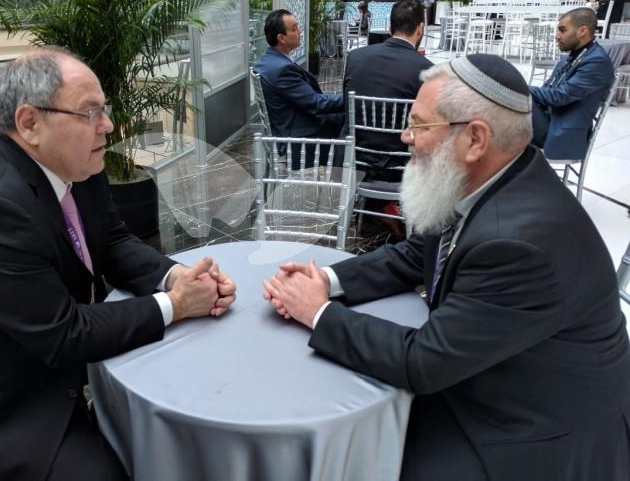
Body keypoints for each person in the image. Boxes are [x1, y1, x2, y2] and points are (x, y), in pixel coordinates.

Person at [263, 54, 630, 481]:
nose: (405, 136)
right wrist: (326, 280)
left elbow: (424, 362)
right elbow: (416, 255)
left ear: (475, 139)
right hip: (490, 377)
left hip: (533, 432)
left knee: (362, 459)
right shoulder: (491, 178)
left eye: (419, 124)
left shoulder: (520, 244)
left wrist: (317, 312)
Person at [0, 47, 237, 481]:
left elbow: (113, 239)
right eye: (90, 113)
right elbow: (65, 334)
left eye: (104, 110)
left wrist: (174, 275)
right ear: (30, 123)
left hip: (38, 360)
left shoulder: (75, 162)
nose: (107, 125)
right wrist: (177, 305)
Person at [343, 0, 432, 182]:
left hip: (356, 159)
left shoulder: (355, 57)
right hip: (402, 165)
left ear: (389, 29)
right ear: (420, 29)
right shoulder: (428, 70)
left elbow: (346, 105)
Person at [253, 9, 344, 159]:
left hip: (286, 126)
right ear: (281, 38)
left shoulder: (266, 61)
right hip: (297, 139)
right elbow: (317, 104)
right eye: (294, 29)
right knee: (353, 118)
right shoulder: (283, 69)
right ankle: (353, 171)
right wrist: (350, 98)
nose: (300, 31)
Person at [530, 7, 615, 160]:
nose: (557, 36)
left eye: (562, 30)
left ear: (582, 31)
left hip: (559, 133)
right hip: (548, 119)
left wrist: (519, 86)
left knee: (508, 102)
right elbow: (547, 91)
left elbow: (559, 97)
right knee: (506, 104)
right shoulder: (571, 57)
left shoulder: (596, 61)